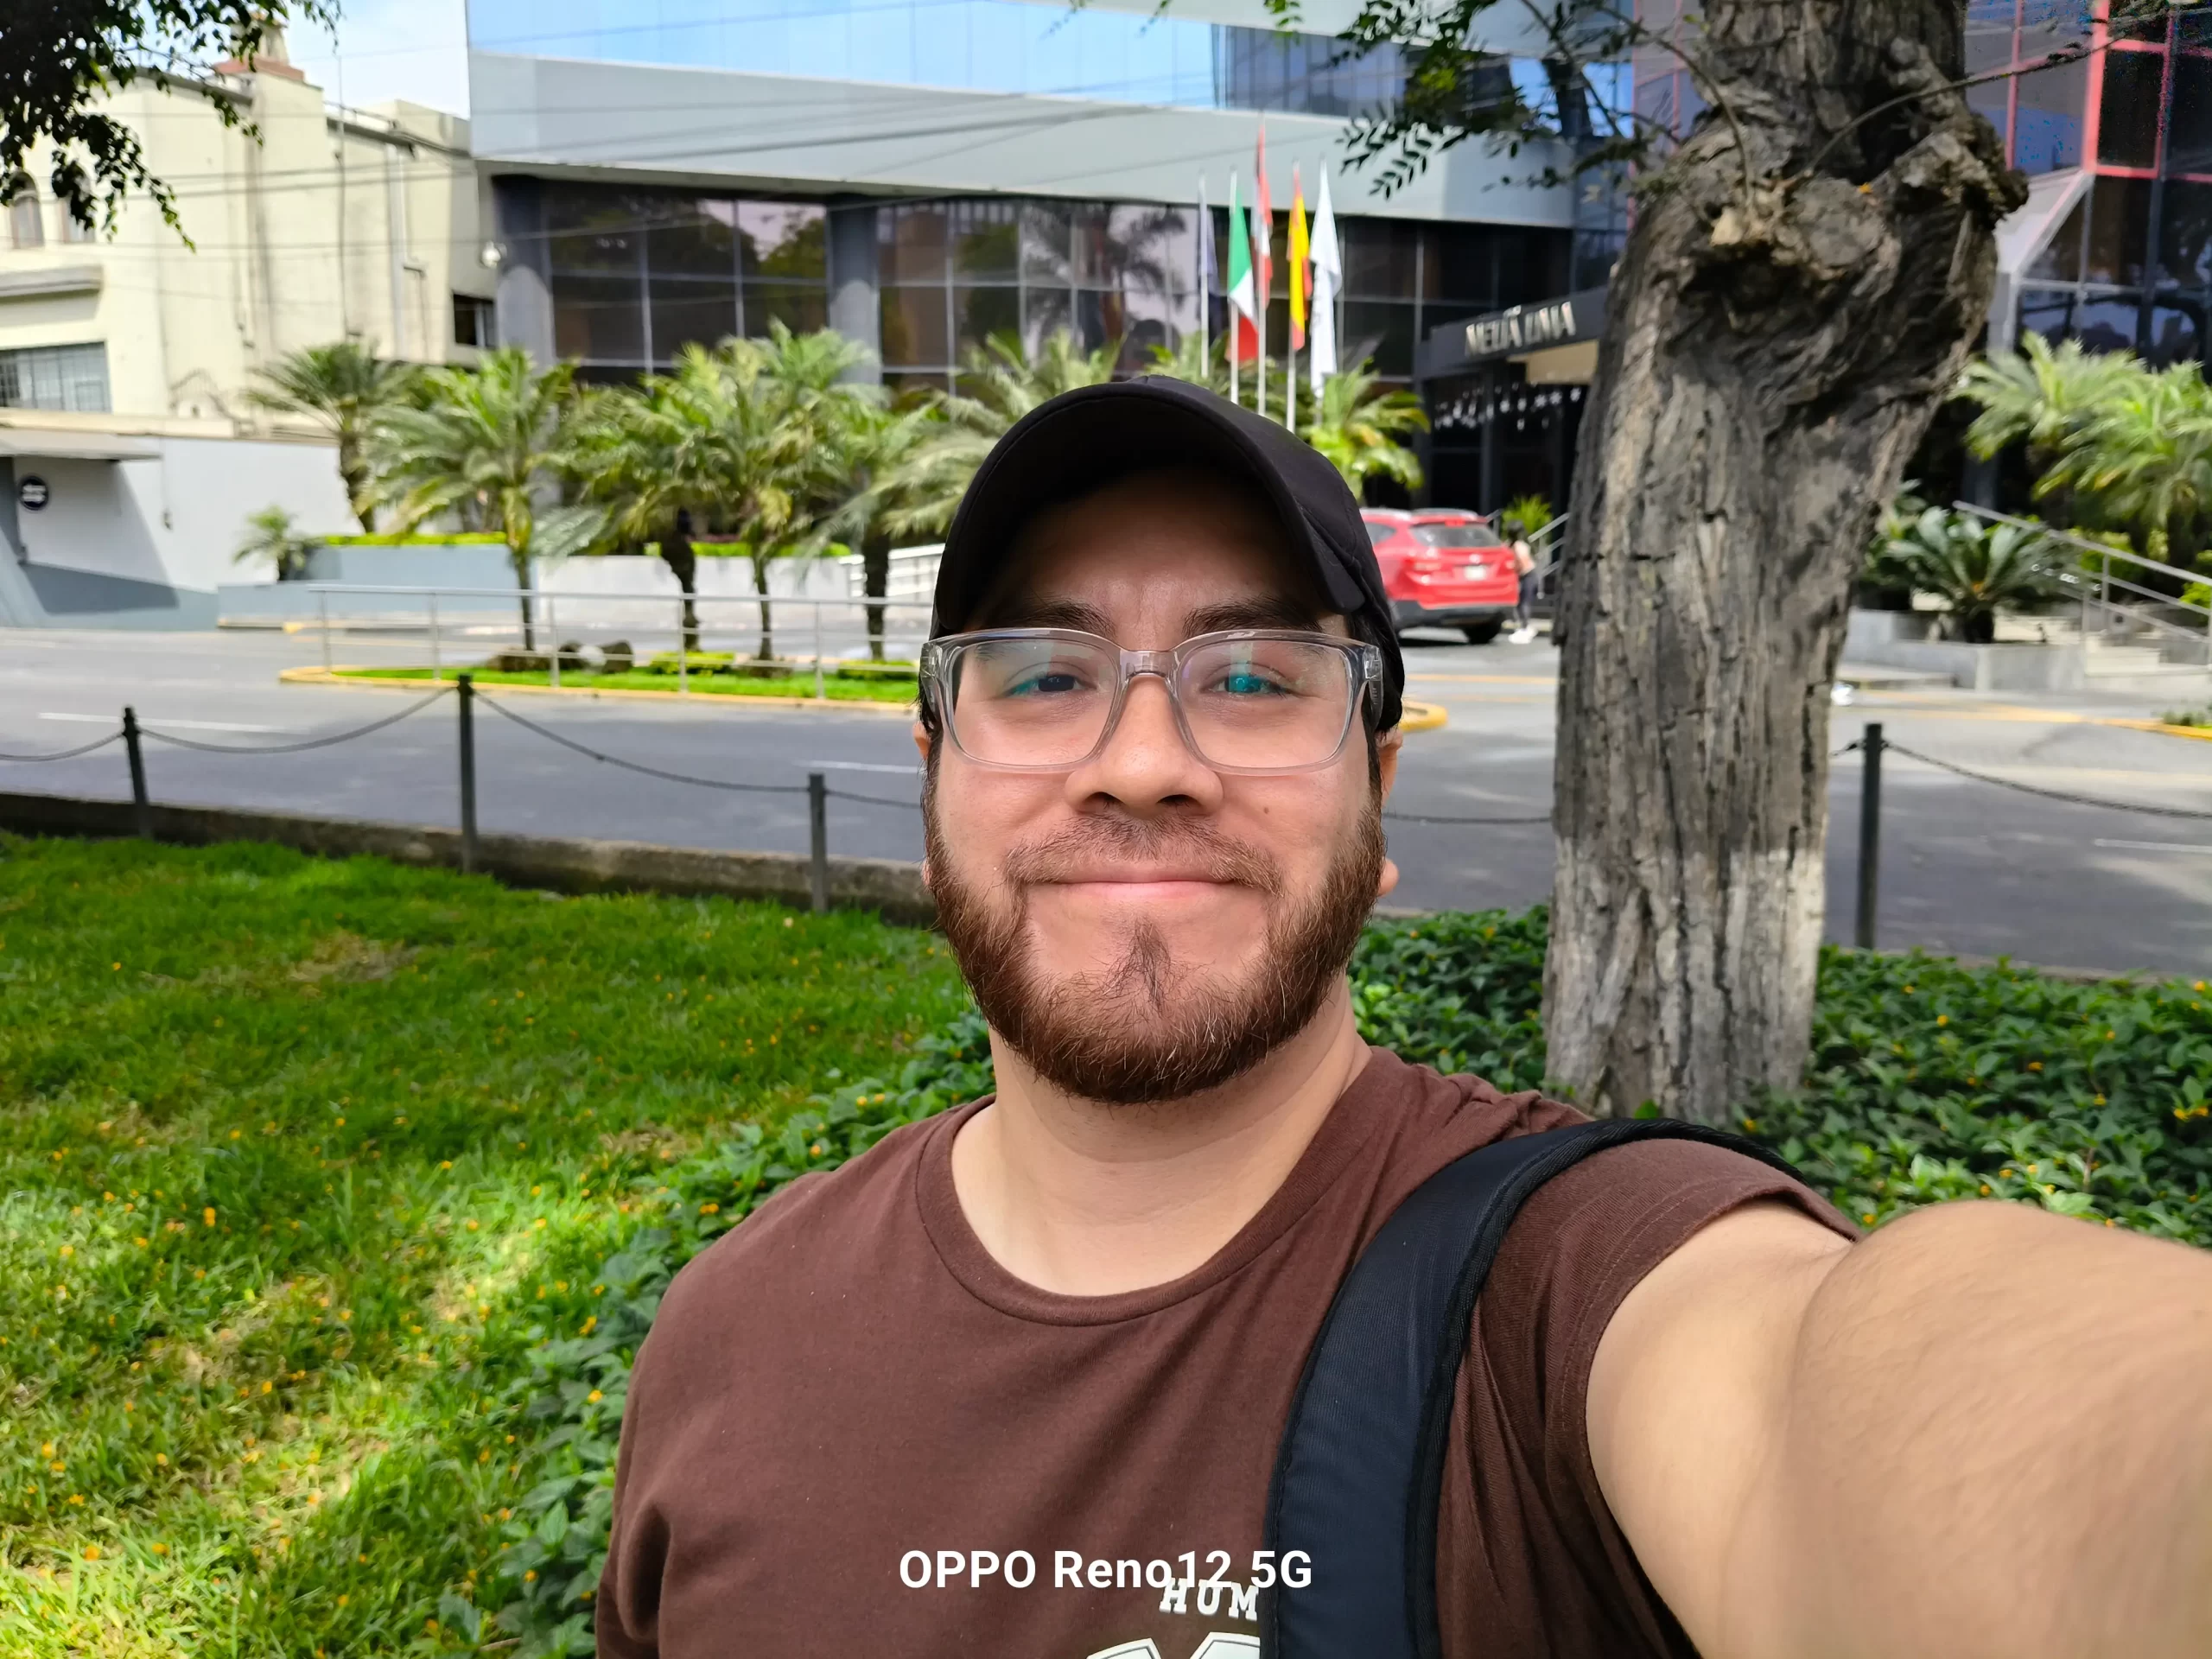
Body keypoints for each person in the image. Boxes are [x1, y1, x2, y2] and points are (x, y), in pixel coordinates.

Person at [597, 379, 2212, 1659]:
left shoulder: (1573, 1294)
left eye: (1253, 678)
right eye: (1042, 674)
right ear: (934, 776)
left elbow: (1840, 1402)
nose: (1142, 764)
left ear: (1374, 793)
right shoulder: (733, 1331)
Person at [1504, 516, 1539, 644]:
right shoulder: (1511, 545)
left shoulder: (1520, 546)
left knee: (1524, 603)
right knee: (1520, 603)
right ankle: (1524, 626)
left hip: (1528, 576)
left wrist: (1513, 567)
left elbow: (1523, 563)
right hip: (1522, 576)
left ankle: (1525, 627)